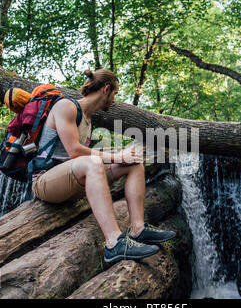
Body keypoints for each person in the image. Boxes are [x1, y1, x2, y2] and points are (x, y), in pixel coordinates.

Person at [32, 69, 175, 263]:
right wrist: (116, 157)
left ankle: (137, 230)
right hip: (45, 182)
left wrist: (123, 157)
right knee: (95, 162)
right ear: (106, 89)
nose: (114, 100)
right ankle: (114, 244)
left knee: (134, 164)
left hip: (72, 182)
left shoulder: (88, 120)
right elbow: (74, 151)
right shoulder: (66, 106)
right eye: (115, 93)